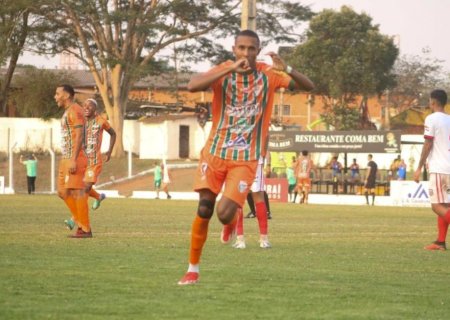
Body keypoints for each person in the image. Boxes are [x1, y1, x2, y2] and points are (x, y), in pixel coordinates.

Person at [177, 29, 314, 285]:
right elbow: (193, 85)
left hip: (245, 158)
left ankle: (229, 221)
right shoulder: (223, 72)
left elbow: (309, 87)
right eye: (242, 48)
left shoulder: (269, 75)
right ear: (234, 49)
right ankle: (192, 269)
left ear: (258, 51)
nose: (246, 53)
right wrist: (228, 70)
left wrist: (289, 68)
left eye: (252, 49)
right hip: (215, 152)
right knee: (204, 208)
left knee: (223, 214)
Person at [64, 98, 116, 230]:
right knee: (77, 189)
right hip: (82, 161)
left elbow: (113, 133)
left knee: (85, 188)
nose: (86, 108)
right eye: (84, 105)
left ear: (95, 109)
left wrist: (109, 151)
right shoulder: (80, 122)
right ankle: (99, 196)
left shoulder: (101, 121)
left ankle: (73, 220)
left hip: (94, 162)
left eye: (89, 106)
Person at [413, 89, 450, 251]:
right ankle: (440, 242)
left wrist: (419, 167)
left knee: (436, 206)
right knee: (445, 205)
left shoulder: (432, 118)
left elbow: (428, 143)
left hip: (439, 168)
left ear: (433, 102)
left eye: (429, 101)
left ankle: (440, 242)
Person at [54, 84, 91, 238]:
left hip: (75, 157)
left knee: (78, 193)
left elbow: (80, 135)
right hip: (66, 157)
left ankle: (85, 229)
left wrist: (74, 159)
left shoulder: (76, 110)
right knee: (63, 192)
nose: (55, 97)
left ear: (67, 95)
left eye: (57, 93)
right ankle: (79, 220)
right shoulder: (67, 112)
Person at [227, 156, 272, 249]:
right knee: (259, 198)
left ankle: (240, 240)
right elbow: (264, 144)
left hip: (239, 160)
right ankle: (264, 240)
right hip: (255, 160)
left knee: (238, 198)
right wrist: (267, 164)